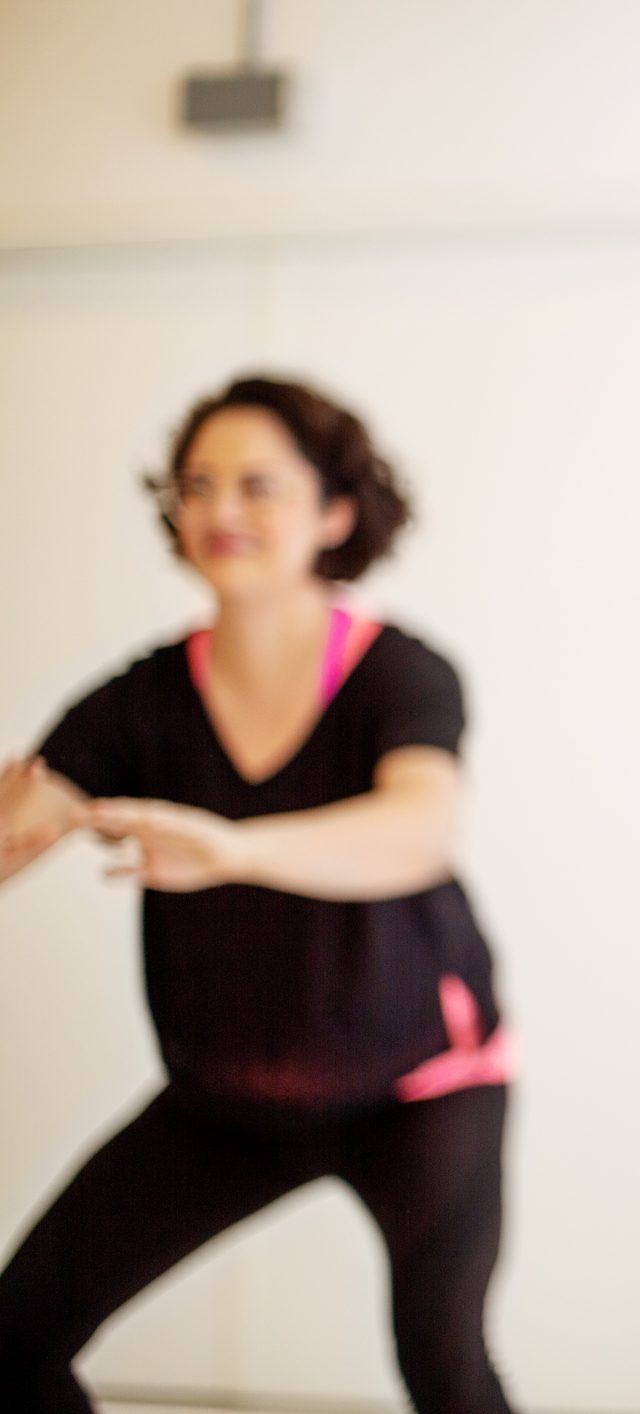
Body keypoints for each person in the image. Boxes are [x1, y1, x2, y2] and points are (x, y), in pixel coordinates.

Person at [0, 375, 515, 1413]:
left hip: (420, 1087)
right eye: (197, 485)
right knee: (9, 1343)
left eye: (257, 485)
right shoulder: (139, 700)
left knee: (443, 1362)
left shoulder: (402, 675)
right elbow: (20, 821)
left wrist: (231, 849)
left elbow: (419, 830)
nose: (220, 511)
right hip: (226, 1099)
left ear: (333, 513)